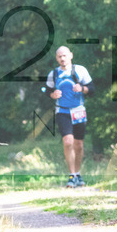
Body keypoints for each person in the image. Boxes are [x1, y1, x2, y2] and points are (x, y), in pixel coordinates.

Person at [46, 46, 94, 187]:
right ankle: (72, 175)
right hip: (62, 111)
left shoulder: (80, 70)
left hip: (78, 110)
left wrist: (82, 89)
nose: (62, 58)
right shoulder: (53, 73)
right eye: (60, 56)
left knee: (78, 144)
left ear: (71, 56)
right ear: (56, 58)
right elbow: (46, 90)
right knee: (68, 142)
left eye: (65, 55)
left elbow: (92, 89)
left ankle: (78, 174)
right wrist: (52, 95)